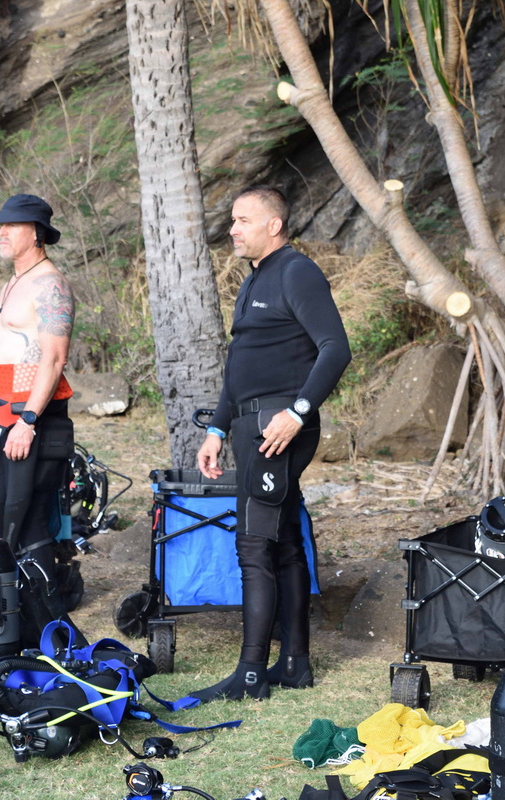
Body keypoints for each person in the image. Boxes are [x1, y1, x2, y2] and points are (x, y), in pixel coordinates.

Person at [194, 185, 351, 703]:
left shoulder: (296, 272)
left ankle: (250, 674)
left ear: (274, 225)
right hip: (249, 424)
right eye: (233, 220)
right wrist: (217, 429)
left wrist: (298, 412)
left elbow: (335, 348)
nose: (233, 229)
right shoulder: (255, 278)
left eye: (243, 220)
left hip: (275, 426)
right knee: (281, 542)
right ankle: (295, 663)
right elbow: (240, 366)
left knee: (254, 545)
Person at [0, 193, 79, 643]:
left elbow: (54, 358)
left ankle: (47, 633)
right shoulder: (15, 282)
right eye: (0, 225)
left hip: (31, 421)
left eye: (12, 225)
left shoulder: (51, 285)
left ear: (37, 233)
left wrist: (28, 420)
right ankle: (2, 628)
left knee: (25, 521)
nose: (2, 232)